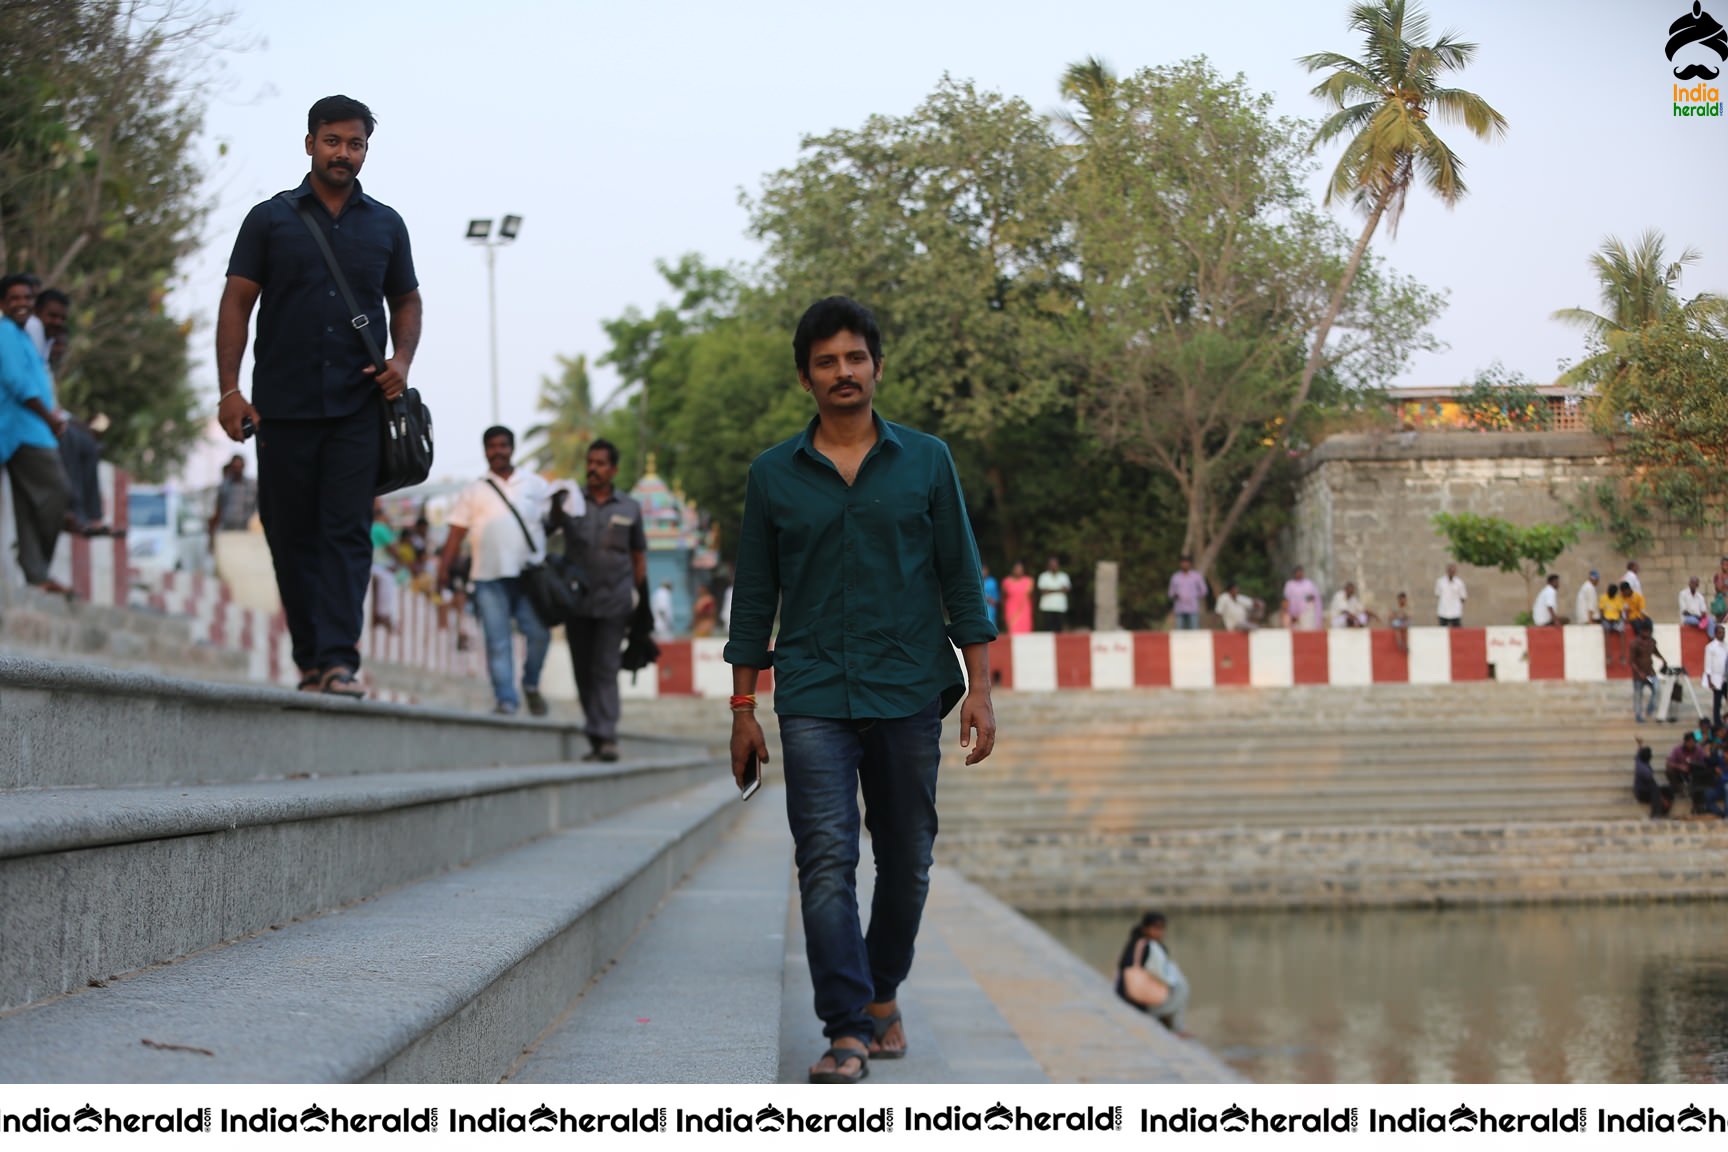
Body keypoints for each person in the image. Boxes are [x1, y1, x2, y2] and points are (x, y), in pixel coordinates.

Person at [724, 296, 996, 1085]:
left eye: (855, 358)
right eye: (826, 362)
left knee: (908, 859)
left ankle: (882, 995)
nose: (843, 373)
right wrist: (742, 708)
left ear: (876, 365)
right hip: (811, 692)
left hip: (910, 687)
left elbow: (960, 577)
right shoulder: (773, 475)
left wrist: (981, 688)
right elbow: (754, 599)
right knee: (826, 860)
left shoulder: (927, 460)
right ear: (805, 378)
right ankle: (845, 1027)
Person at [215, 95, 421, 698]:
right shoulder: (269, 219)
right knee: (288, 533)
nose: (343, 153)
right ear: (310, 143)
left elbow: (406, 300)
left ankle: (338, 662)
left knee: (347, 534)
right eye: (332, 141)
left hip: (359, 409)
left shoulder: (386, 224)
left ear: (365, 151)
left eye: (355, 144)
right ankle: (310, 657)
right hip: (281, 408)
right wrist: (230, 389)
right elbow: (236, 302)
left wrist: (401, 362)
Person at [438, 427, 552, 716]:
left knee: (539, 634)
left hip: (530, 576)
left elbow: (555, 520)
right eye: (492, 446)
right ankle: (506, 700)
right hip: (488, 578)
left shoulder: (535, 485)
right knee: (497, 641)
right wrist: (443, 568)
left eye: (503, 445)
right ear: (485, 450)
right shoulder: (473, 491)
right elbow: (455, 533)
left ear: (512, 448)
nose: (498, 451)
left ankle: (531, 684)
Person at [551, 438, 647, 761]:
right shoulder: (571, 502)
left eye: (600, 463)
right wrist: (554, 504)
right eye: (590, 462)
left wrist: (640, 603)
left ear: (614, 469)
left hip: (615, 602)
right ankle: (595, 733)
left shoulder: (630, 507)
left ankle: (606, 736)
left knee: (606, 668)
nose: (593, 469)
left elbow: (638, 557)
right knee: (582, 670)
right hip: (577, 602)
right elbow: (547, 528)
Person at [0, 274, 71, 594]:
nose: (21, 304)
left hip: (32, 430)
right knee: (57, 493)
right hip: (23, 431)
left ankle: (36, 574)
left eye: (27, 298)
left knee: (28, 504)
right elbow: (18, 384)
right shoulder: (3, 333)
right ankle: (35, 566)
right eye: (14, 298)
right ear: (3, 303)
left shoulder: (23, 337)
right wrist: (49, 417)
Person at [1114, 911, 1191, 1037]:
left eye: (1161, 929)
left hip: (1127, 995)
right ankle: (1176, 1027)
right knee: (1182, 987)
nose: (1159, 932)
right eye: (1156, 928)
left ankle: (1171, 1023)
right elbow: (1163, 975)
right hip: (1139, 1001)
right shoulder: (1151, 947)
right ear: (1146, 928)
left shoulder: (1135, 944)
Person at [208, 454, 257, 554]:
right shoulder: (224, 486)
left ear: (243, 466)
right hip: (227, 532)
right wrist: (211, 539)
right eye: (234, 467)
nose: (237, 470)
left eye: (239, 467)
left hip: (246, 533)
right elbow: (218, 510)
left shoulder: (253, 486)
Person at [1631, 619, 1668, 724]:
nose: (1647, 634)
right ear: (1641, 631)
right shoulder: (1635, 644)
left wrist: (1662, 659)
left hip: (1650, 673)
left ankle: (1650, 709)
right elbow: (1632, 662)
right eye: (1645, 631)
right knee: (1638, 696)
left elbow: (1655, 651)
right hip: (1639, 675)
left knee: (1657, 689)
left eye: (1649, 632)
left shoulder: (1652, 641)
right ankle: (1639, 716)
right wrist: (1639, 673)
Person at [1632, 742, 1672, 818]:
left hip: (1647, 789)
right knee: (1656, 791)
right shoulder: (1644, 770)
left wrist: (1640, 744)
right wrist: (1663, 799)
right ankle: (1655, 814)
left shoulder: (1639, 761)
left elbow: (1638, 753)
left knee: (1668, 790)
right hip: (1642, 793)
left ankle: (1664, 811)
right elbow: (1653, 785)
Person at [1168, 556, 1208, 630]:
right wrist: (1175, 595)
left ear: (1190, 564)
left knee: (1194, 631)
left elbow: (1204, 590)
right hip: (1180, 608)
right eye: (1183, 563)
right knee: (1179, 632)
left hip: (1193, 608)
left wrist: (1194, 596)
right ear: (1180, 564)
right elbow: (1170, 593)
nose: (1185, 565)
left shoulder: (1196, 576)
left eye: (1187, 563)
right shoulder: (1175, 577)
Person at [1280, 565, 1322, 630]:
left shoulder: (1308, 583)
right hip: (1293, 615)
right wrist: (1287, 612)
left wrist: (1303, 603)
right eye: (1298, 572)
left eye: (1301, 572)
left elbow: (1313, 597)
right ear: (1294, 573)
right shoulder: (1290, 584)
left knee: (1307, 630)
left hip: (1306, 613)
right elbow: (1286, 599)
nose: (1299, 574)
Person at [1037, 555, 1071, 632]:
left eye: (1055, 564)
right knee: (1047, 628)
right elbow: (1043, 591)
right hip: (1047, 606)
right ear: (1048, 565)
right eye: (1052, 564)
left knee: (1059, 629)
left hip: (1060, 607)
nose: (1053, 566)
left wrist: (1050, 590)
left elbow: (1066, 589)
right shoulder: (1043, 576)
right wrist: (1059, 590)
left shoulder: (1064, 576)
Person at [1001, 561, 1034, 635]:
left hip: (1025, 610)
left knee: (1026, 632)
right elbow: (1003, 596)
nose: (1018, 571)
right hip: (1011, 609)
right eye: (1017, 569)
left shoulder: (1029, 581)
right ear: (1013, 570)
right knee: (1012, 631)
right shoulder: (1006, 581)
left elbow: (1031, 596)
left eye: (1020, 569)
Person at [1705, 625, 1727, 729]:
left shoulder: (1726, 645)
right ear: (1715, 634)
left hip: (1726, 677)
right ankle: (1717, 723)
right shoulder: (1710, 647)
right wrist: (1709, 680)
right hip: (1716, 678)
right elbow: (1708, 664)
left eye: (1723, 633)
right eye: (1720, 633)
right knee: (1717, 702)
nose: (1722, 635)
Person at [1435, 563, 1466, 627]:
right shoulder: (1440, 581)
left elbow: (1463, 597)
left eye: (1453, 571)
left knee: (1457, 630)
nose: (1451, 572)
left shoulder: (1459, 582)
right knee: (1442, 630)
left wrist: (1457, 604)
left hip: (1455, 611)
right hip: (1443, 611)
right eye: (1450, 571)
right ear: (1447, 571)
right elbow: (1437, 594)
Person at [981, 563, 1000, 630]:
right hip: (980, 607)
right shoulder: (977, 582)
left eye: (985, 570)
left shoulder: (993, 582)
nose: (984, 572)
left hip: (990, 608)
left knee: (991, 624)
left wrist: (991, 600)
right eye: (982, 570)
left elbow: (996, 597)